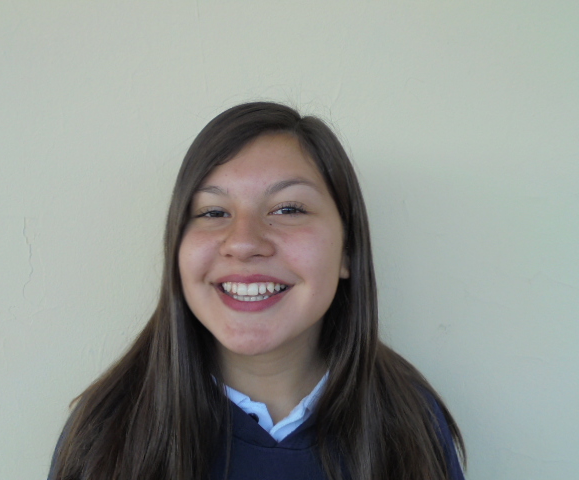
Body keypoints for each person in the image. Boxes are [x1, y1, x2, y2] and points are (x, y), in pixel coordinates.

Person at [48, 102, 466, 480]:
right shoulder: (108, 432)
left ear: (348, 251)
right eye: (213, 212)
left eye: (288, 209)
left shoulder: (410, 421)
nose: (244, 242)